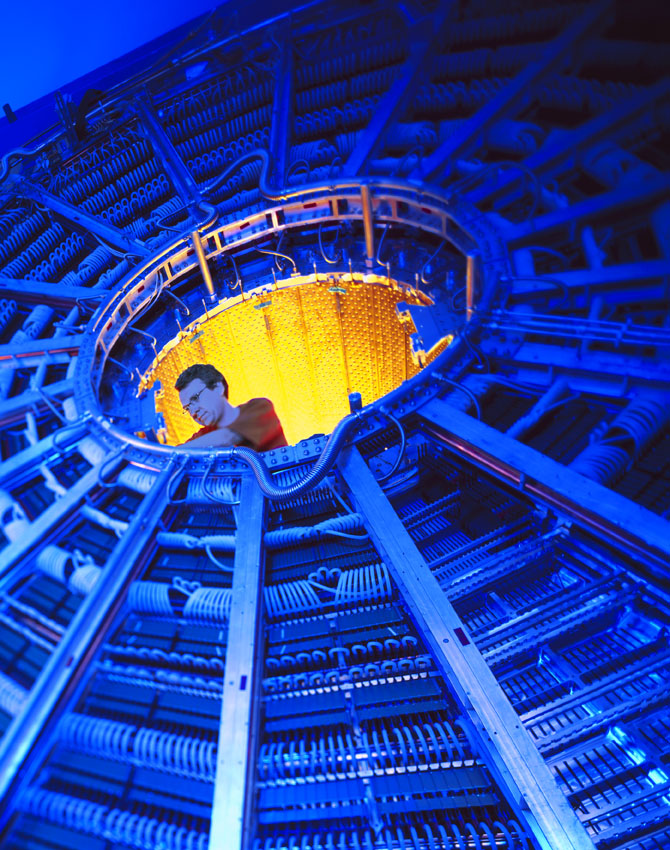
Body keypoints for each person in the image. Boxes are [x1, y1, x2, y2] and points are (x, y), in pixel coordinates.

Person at [175, 364, 287, 450]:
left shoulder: (259, 407)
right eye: (188, 408)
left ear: (218, 387)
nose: (193, 412)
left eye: (195, 398)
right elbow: (169, 455)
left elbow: (226, 437)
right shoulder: (203, 435)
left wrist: (178, 454)